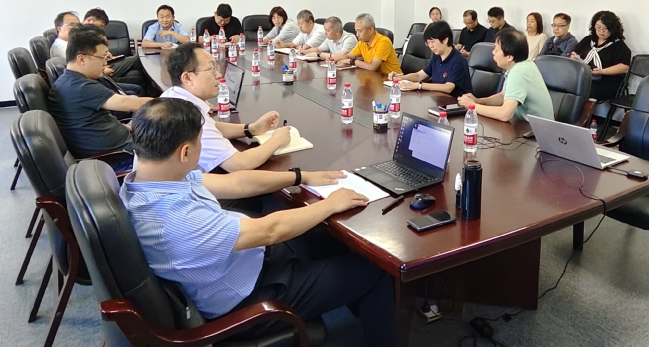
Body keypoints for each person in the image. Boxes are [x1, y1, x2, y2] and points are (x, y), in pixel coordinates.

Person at [122, 98, 395, 347]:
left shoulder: (151, 178)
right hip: (249, 300)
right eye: (199, 143)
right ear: (184, 152)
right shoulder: (174, 220)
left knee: (327, 236)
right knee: (375, 271)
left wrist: (300, 176)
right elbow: (270, 231)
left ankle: (362, 304)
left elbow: (236, 183)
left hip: (246, 262)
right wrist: (329, 204)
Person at [162, 43, 293, 173]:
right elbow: (240, 164)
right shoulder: (189, 118)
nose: (219, 74)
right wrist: (277, 140)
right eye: (211, 69)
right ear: (187, 78)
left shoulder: (174, 95)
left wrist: (251, 128)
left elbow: (212, 126)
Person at [47, 25, 151, 170]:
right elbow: (130, 103)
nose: (105, 62)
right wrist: (171, 101)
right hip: (120, 157)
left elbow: (95, 122)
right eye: (102, 57)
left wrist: (130, 128)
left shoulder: (68, 81)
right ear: (82, 59)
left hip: (123, 145)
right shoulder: (81, 87)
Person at [458, 29, 553, 122]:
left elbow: (505, 114)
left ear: (509, 57)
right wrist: (478, 101)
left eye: (496, 49)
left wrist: (472, 106)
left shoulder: (519, 72)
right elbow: (503, 96)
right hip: (523, 125)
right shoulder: (522, 65)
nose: (493, 52)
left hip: (536, 130)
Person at [388, 21, 472, 97]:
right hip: (438, 98)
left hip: (455, 103)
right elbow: (419, 75)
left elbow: (448, 87)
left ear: (445, 40)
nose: (431, 46)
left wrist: (419, 85)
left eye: (433, 42)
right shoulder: (437, 56)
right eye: (428, 43)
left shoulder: (458, 60)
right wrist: (401, 78)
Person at [82, 7, 154, 95]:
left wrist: (106, 54)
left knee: (136, 74)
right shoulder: (80, 36)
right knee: (136, 60)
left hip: (104, 64)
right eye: (100, 26)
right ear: (89, 20)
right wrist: (102, 70)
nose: (101, 29)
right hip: (100, 71)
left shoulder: (90, 34)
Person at [571, 11, 631, 101]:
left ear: (612, 28)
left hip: (605, 81)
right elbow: (574, 53)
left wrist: (602, 71)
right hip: (584, 77)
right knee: (565, 84)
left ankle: (580, 110)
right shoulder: (588, 40)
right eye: (598, 27)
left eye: (605, 28)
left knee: (582, 90)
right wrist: (574, 58)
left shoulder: (618, 45)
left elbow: (624, 67)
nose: (601, 31)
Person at [331, 13, 402, 76]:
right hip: (374, 77)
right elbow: (348, 56)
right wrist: (335, 59)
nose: (357, 35)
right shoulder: (362, 42)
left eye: (360, 31)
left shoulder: (383, 42)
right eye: (356, 31)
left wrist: (351, 61)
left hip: (391, 80)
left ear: (371, 30)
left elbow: (372, 67)